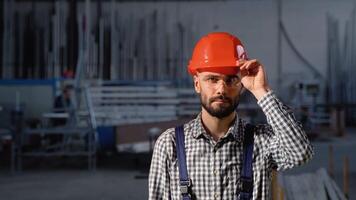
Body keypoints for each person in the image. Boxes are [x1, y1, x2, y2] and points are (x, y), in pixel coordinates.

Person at [148, 32, 313, 200]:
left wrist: (261, 91)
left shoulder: (260, 142)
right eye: (212, 79)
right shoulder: (171, 145)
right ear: (197, 84)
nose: (221, 89)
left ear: (241, 85)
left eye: (231, 80)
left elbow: (300, 153)